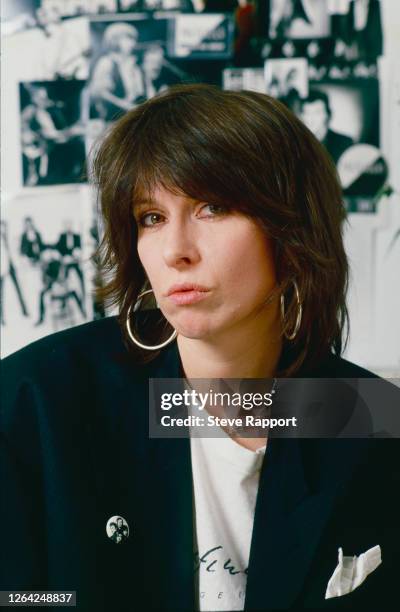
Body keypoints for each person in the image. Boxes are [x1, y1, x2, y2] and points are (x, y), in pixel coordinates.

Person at [1, 84, 398, 611]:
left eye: (213, 207)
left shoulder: (364, 416)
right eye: (151, 217)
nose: (175, 251)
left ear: (292, 227)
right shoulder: (38, 400)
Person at [89, 22, 145, 122]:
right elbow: (100, 93)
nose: (133, 43)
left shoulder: (133, 64)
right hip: (113, 119)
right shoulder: (106, 63)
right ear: (115, 40)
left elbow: (138, 92)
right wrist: (125, 105)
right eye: (128, 39)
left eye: (133, 39)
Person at [299, 89, 354, 165]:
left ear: (327, 115)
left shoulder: (344, 144)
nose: (310, 119)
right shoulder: (295, 144)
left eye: (316, 113)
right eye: (306, 113)